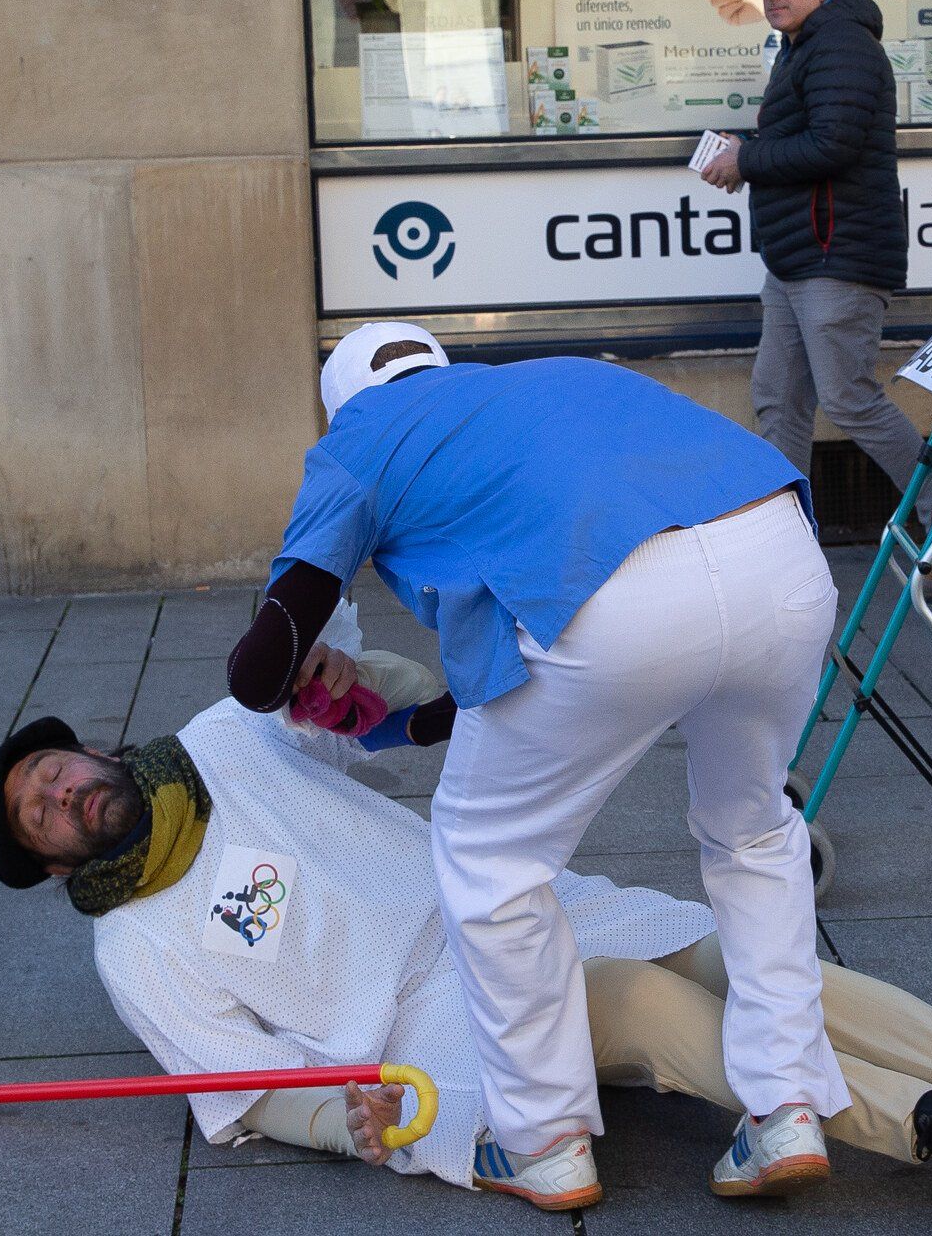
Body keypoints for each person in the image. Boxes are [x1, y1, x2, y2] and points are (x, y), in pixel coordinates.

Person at [0, 630, 932, 1213]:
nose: (65, 793)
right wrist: (350, 1118)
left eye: (54, 769)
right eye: (43, 815)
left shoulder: (219, 736)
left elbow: (377, 724)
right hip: (429, 1024)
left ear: (80, 746)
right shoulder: (133, 942)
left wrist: (344, 673)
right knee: (653, 1002)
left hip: (498, 909)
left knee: (738, 951)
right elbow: (240, 1087)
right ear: (52, 857)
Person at [220, 322, 852, 1204]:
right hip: (779, 557)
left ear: (340, 405)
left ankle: (542, 1138)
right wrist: (400, 718)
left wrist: (294, 677)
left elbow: (262, 661)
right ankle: (784, 1109)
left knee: (490, 862)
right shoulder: (546, 378)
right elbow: (481, 696)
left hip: (617, 600)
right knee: (753, 834)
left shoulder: (357, 438)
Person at [698, 0, 932, 601]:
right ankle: (781, 545)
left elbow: (832, 145)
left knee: (849, 399)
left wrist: (746, 161)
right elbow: (810, 136)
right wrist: (747, 149)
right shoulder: (807, 45)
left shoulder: (841, 43)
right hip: (797, 255)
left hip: (837, 253)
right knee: (780, 400)